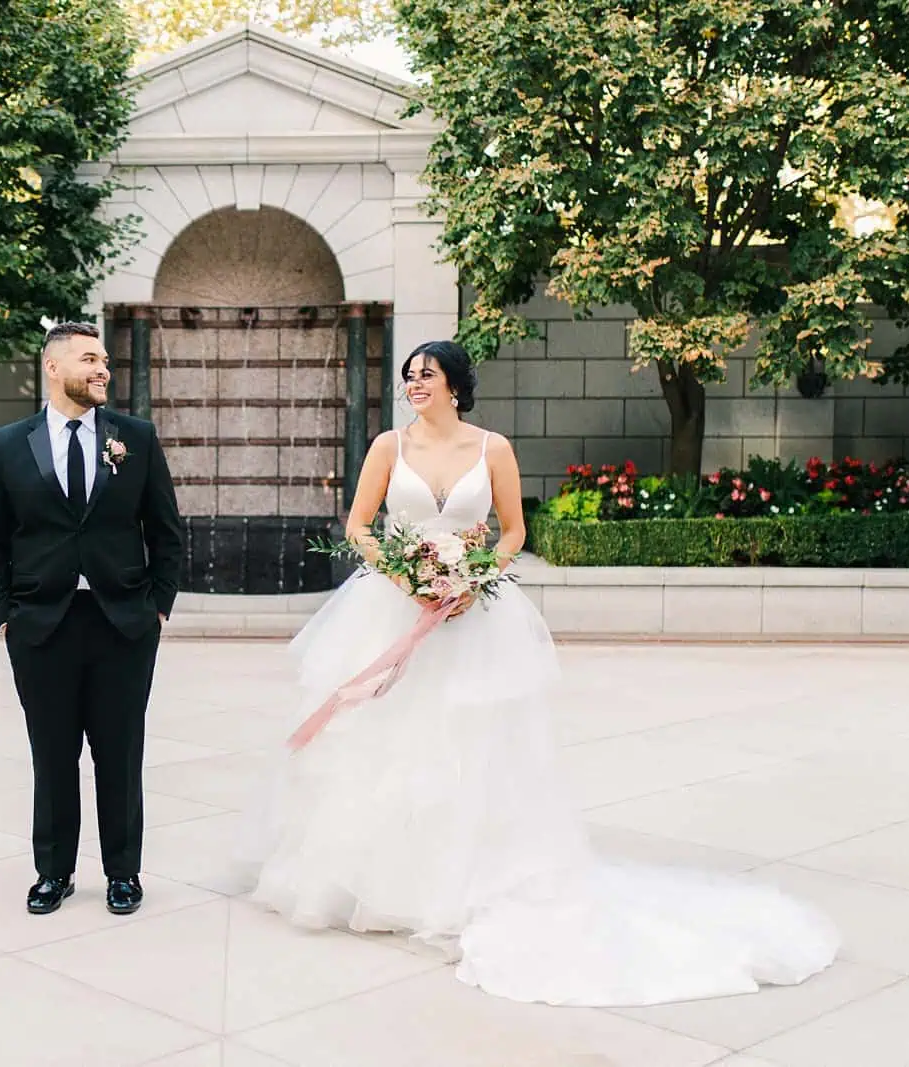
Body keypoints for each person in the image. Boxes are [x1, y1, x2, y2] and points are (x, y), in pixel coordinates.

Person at [239, 339, 840, 1006]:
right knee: (384, 746)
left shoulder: (491, 447)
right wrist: (408, 578)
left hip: (473, 617)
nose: (414, 385)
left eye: (426, 375)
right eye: (409, 376)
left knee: (470, 751)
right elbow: (359, 526)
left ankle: (460, 882)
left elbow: (513, 531)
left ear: (456, 386)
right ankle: (373, 882)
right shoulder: (388, 447)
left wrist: (473, 578)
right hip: (390, 610)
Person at [0, 321, 184, 917]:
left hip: (123, 623)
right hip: (41, 625)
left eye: (107, 362)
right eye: (90, 359)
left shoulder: (135, 438)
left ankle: (123, 873)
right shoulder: (8, 444)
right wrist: (5, 617)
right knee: (53, 754)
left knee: (121, 754)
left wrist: (157, 609)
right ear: (52, 366)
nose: (103, 371)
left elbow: (166, 532)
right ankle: (53, 872)